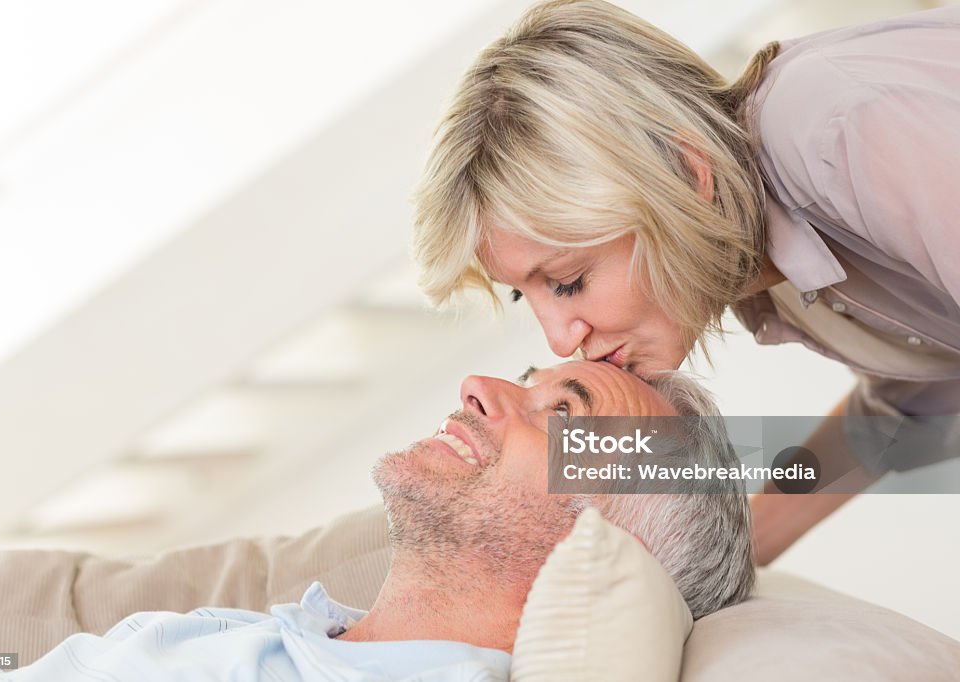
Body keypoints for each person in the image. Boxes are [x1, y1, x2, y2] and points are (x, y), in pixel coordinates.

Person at [411, 0, 960, 565]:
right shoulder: (762, 270)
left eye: (569, 280)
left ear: (686, 175)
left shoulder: (838, 128)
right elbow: (906, 412)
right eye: (523, 294)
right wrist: (716, 562)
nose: (559, 340)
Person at [0, 361, 753, 680]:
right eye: (525, 380)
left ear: (608, 541)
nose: (478, 387)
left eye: (558, 412)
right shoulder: (278, 635)